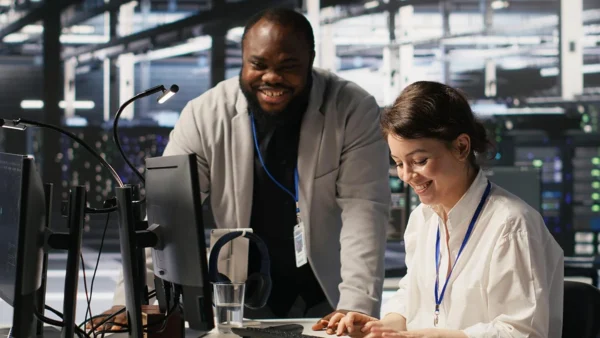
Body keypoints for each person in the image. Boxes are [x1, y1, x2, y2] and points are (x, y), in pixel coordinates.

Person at [88, 7, 390, 331]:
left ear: (310, 60)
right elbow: (166, 216)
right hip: (238, 293)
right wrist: (129, 301)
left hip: (328, 294)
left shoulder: (352, 109)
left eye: (288, 66)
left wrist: (357, 305)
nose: (271, 77)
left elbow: (365, 211)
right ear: (243, 59)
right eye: (258, 65)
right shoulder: (204, 114)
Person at [322, 81, 564, 338]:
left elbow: (522, 333)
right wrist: (384, 326)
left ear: (461, 147)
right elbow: (412, 295)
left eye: (419, 161)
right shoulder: (422, 219)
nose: (406, 176)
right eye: (398, 163)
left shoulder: (512, 225)